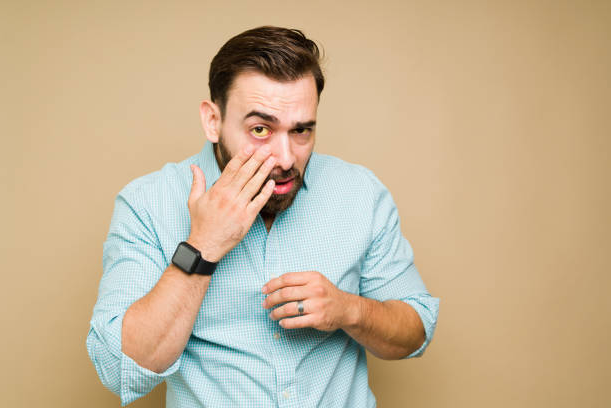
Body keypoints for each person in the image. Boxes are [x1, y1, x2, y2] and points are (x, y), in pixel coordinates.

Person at [87, 25, 440, 407]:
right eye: (260, 129)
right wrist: (202, 246)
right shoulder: (146, 203)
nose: (286, 159)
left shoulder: (360, 194)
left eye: (301, 130)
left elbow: (415, 334)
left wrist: (348, 309)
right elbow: (119, 369)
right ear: (213, 120)